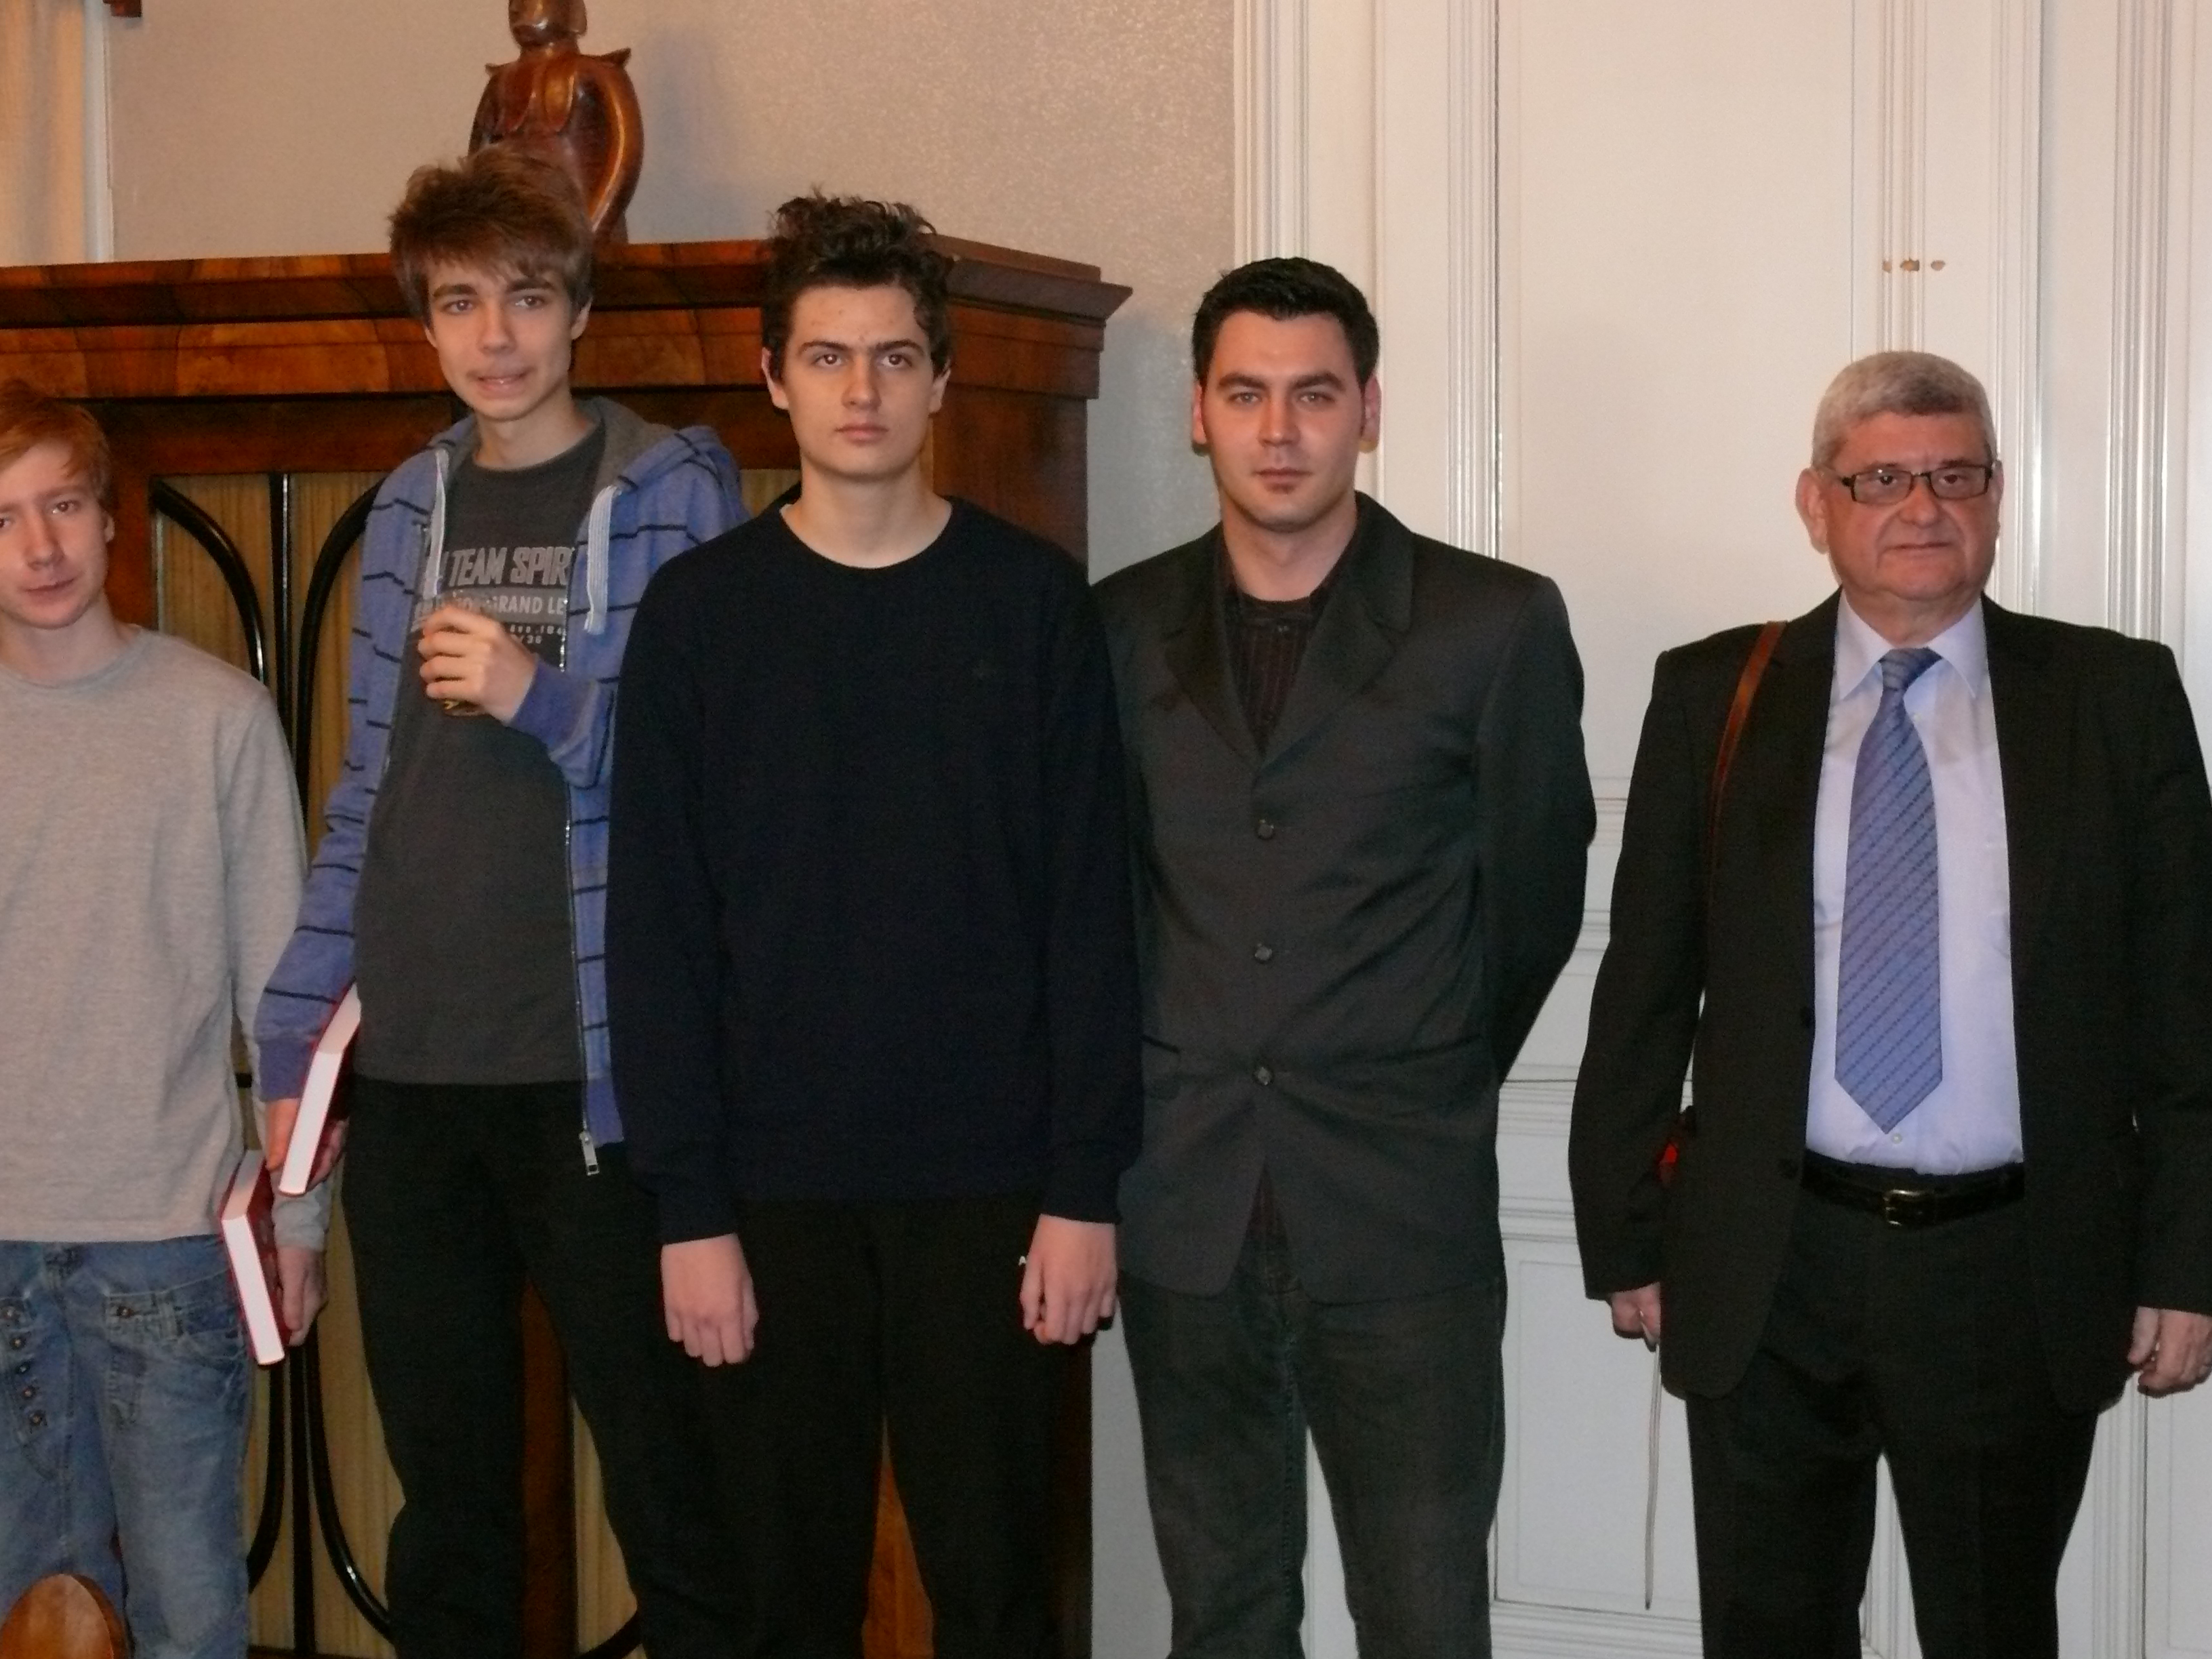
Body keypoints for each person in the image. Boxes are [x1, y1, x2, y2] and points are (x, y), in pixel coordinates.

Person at [1569, 350, 2212, 1659]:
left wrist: (2186, 1263)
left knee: (1993, 1628)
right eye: (1882, 479)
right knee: (1770, 1630)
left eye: (1956, 475)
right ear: (1817, 503)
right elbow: (1645, 983)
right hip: (1770, 1258)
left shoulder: (2114, 697)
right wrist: (1626, 1230)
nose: (1924, 506)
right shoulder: (1713, 694)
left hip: (2013, 1268)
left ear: (1996, 496)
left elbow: (2186, 1002)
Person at [605, 192, 1143, 1659]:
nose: (863, 390)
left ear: (942, 378)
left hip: (995, 1194)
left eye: (896, 357)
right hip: (765, 1199)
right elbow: (657, 938)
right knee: (786, 1606)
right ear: (773, 377)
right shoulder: (700, 620)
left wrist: (1084, 1188)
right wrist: (688, 1209)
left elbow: (1092, 919)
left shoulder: (1033, 607)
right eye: (828, 357)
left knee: (1001, 1601)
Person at [253, 146, 743, 1659]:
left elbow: (715, 773)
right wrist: (293, 1038)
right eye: (460, 304)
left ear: (579, 308)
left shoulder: (669, 488)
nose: (496, 335)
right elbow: (366, 789)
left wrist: (544, 698)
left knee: (676, 1487)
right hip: (412, 1075)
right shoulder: (411, 500)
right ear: (427, 326)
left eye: (527, 297)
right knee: (450, 1504)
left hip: (589, 1075)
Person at [1094, 258, 1595, 1659]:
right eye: (1246, 393)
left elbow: (1534, 900)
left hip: (1400, 1213)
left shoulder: (1491, 623)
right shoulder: (1118, 626)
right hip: (1185, 1208)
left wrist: (1415, 1064)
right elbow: (1105, 904)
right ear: (1198, 411)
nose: (1279, 431)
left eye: (1314, 395)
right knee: (1223, 1614)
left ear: (1368, 410)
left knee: (1424, 1617)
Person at [0, 381, 325, 1659]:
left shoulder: (217, 718)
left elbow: (284, 999)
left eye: (63, 506)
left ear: (109, 518)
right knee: (28, 1615)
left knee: (191, 1614)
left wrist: (302, 1222)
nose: (39, 546)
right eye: (4, 518)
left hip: (168, 1244)